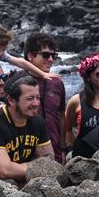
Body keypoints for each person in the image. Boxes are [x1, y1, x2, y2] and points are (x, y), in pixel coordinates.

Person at [0, 73, 55, 181]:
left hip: (28, 182)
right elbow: (4, 170)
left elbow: (49, 157)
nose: (36, 103)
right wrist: (38, 168)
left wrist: (21, 168)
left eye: (38, 98)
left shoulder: (38, 121)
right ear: (11, 100)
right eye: (30, 98)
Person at [23, 32, 66, 164]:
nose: (51, 60)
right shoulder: (17, 81)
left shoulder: (57, 82)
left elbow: (61, 116)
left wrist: (63, 148)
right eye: (46, 55)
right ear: (30, 56)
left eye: (53, 55)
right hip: (26, 154)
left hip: (55, 152)